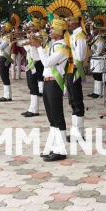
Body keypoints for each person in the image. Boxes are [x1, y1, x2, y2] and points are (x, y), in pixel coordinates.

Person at [34, 11, 71, 162]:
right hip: (47, 81)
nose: (50, 30)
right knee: (51, 117)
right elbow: (39, 58)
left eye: (52, 28)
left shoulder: (63, 47)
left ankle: (61, 150)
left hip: (55, 83)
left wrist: (39, 47)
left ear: (59, 30)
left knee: (57, 116)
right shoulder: (53, 44)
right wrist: (35, 47)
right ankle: (54, 146)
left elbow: (47, 62)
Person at [61, 0, 88, 141]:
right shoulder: (72, 35)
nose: (68, 23)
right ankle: (75, 131)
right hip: (69, 69)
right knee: (72, 100)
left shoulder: (80, 36)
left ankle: (80, 133)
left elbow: (79, 56)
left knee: (77, 100)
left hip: (75, 69)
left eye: (70, 20)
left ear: (76, 21)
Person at [22, 7, 48, 117]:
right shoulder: (32, 36)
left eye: (32, 26)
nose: (29, 27)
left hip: (37, 62)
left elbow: (34, 49)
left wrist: (30, 41)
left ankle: (34, 109)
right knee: (30, 85)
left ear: (36, 26)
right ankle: (32, 107)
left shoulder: (41, 36)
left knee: (33, 86)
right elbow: (27, 49)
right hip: (31, 61)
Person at [0, 18, 16, 103]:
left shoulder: (7, 37)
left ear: (7, 29)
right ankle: (6, 95)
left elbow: (0, 47)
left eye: (3, 27)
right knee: (3, 77)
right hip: (2, 58)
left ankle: (8, 96)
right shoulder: (4, 37)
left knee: (5, 77)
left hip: (4, 58)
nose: (1, 29)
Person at [87, 28, 105, 99]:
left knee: (98, 76)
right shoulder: (94, 38)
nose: (93, 31)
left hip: (98, 59)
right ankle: (95, 92)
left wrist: (92, 56)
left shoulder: (100, 39)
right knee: (95, 76)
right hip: (94, 58)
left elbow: (99, 51)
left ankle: (99, 92)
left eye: (94, 29)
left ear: (98, 30)